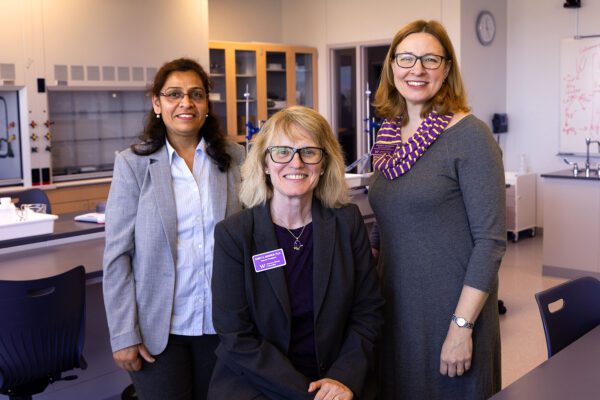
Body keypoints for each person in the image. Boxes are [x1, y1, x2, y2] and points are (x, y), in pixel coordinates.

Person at [368, 20, 506, 399]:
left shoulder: (470, 136)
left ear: (446, 69)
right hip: (396, 305)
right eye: (407, 58)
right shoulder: (389, 134)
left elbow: (490, 242)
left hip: (451, 308)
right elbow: (387, 214)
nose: (417, 69)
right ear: (392, 66)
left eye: (430, 59)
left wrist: (461, 326)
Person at [208, 106, 384, 400]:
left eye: (308, 152)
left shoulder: (347, 222)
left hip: (336, 383)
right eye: (282, 152)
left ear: (324, 163)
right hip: (258, 386)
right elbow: (235, 335)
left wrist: (342, 379)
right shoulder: (234, 235)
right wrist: (307, 394)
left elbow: (368, 311)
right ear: (265, 163)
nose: (296, 163)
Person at [103, 57, 245, 400]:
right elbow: (118, 256)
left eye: (196, 94)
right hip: (159, 332)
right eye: (174, 94)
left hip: (224, 326)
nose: (186, 103)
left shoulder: (235, 158)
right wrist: (124, 334)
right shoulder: (133, 164)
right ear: (157, 103)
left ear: (207, 104)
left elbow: (255, 238)